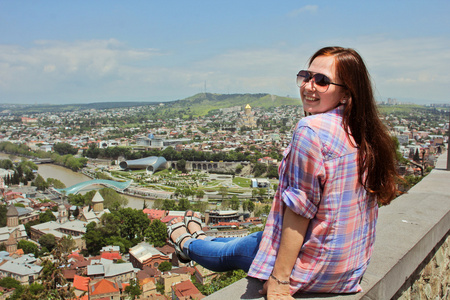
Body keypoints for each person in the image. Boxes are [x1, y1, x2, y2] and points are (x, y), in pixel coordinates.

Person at [167, 46, 398, 299]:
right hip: (348, 267)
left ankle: (185, 243)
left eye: (322, 81)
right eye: (306, 76)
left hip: (312, 267)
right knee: (244, 241)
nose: (309, 86)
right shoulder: (364, 131)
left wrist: (280, 279)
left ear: (346, 92)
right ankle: (201, 235)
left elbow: (299, 211)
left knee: (229, 254)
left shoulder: (311, 129)